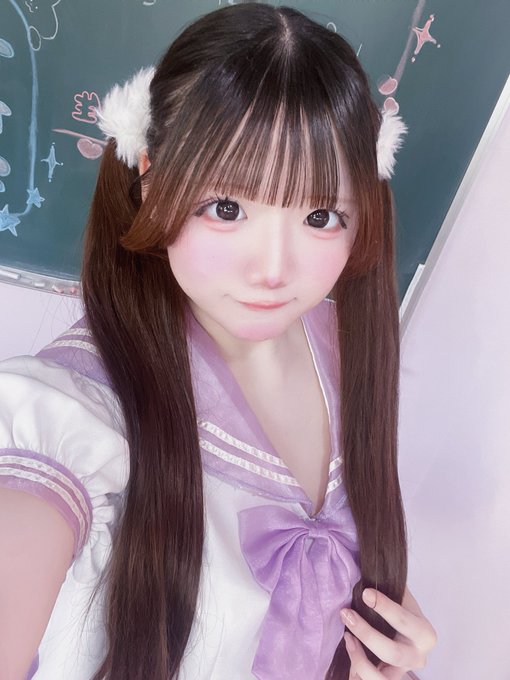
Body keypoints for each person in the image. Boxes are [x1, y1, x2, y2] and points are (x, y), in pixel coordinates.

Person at [0, 3, 437, 679]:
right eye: (227, 208)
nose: (273, 269)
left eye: (321, 215)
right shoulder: (75, 415)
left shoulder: (339, 346)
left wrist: (389, 660)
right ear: (151, 180)